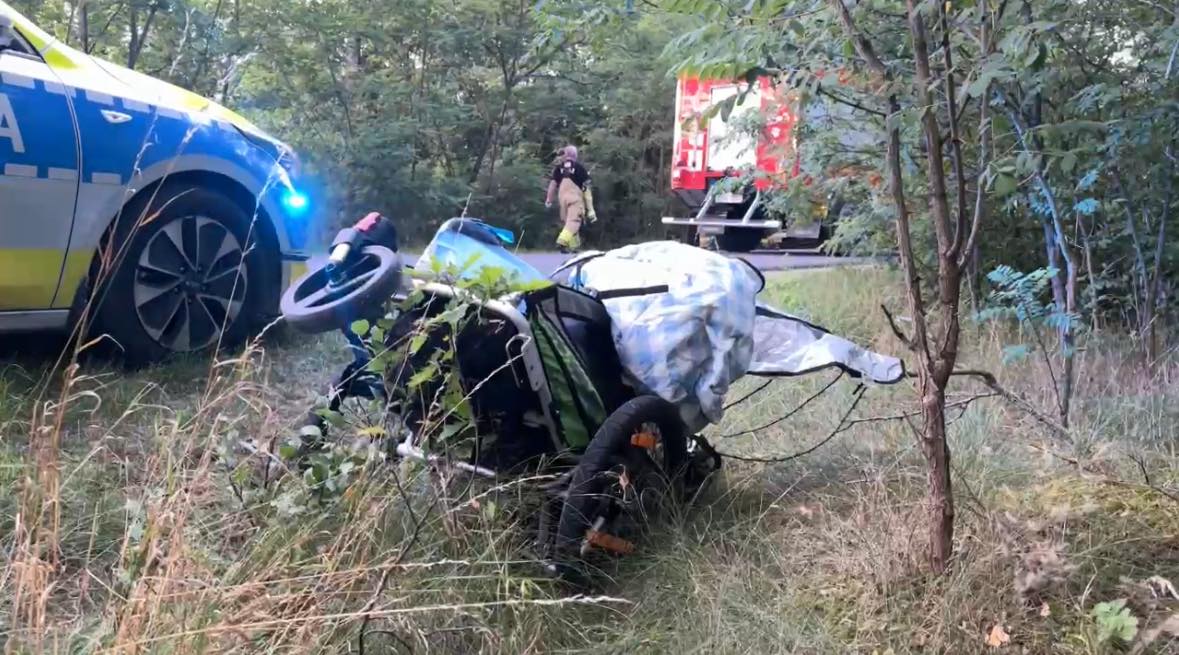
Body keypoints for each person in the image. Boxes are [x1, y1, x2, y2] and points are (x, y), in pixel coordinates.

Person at [544, 145, 597, 253]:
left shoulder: (558, 168)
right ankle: (562, 241)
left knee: (568, 222)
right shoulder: (579, 168)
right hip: (575, 198)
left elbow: (553, 185)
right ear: (575, 155)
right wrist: (591, 209)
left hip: (562, 199)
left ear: (565, 155)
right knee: (574, 221)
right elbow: (586, 189)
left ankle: (574, 246)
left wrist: (549, 199)